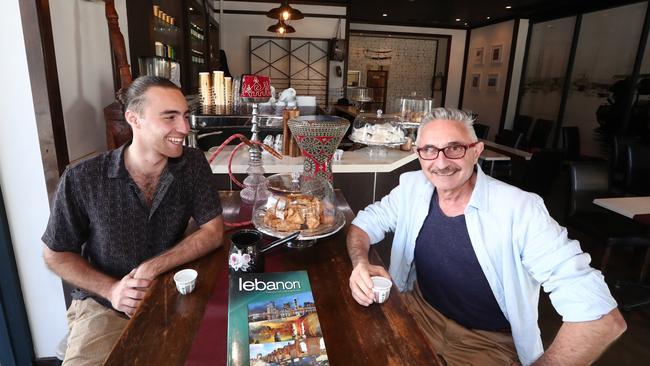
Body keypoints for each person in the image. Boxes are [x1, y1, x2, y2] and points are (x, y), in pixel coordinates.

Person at [347, 108, 626, 365]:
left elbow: (601, 318)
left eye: (454, 148)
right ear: (418, 154)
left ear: (476, 151)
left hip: (488, 342)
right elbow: (363, 225)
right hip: (420, 313)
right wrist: (361, 262)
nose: (441, 162)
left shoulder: (520, 210)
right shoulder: (413, 187)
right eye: (429, 150)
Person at [42, 76, 224, 365]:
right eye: (170, 117)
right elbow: (55, 254)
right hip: (103, 307)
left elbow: (213, 231)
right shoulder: (83, 178)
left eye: (185, 116)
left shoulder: (192, 164)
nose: (185, 128)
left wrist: (152, 267)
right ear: (133, 119)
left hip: (171, 289)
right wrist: (112, 290)